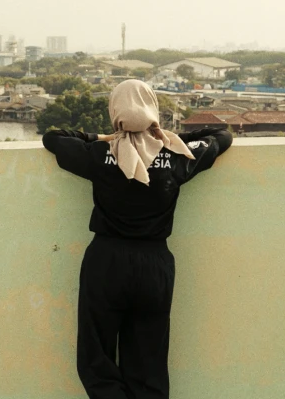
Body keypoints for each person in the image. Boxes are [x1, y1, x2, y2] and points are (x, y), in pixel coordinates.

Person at [42, 79, 232, 399]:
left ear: (116, 110)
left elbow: (54, 137)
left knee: (97, 356)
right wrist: (161, 138)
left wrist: (106, 136)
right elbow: (222, 136)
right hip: (155, 265)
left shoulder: (100, 152)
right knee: (149, 362)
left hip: (107, 260)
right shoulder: (177, 156)